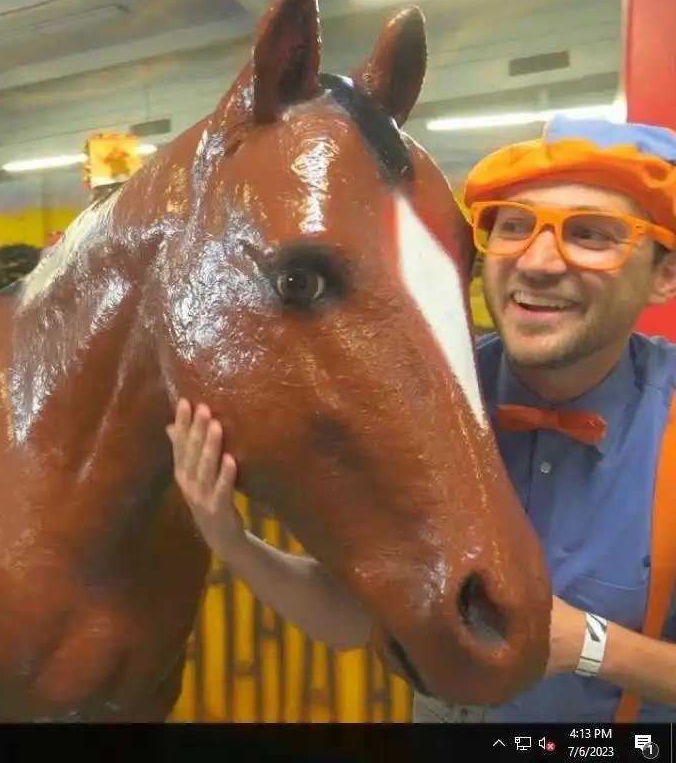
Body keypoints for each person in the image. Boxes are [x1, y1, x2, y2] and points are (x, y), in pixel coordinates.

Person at [165, 117, 676, 722]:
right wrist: (231, 540)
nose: (538, 262)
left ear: (664, 275)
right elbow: (351, 618)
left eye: (591, 234)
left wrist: (594, 648)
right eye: (514, 226)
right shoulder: (416, 394)